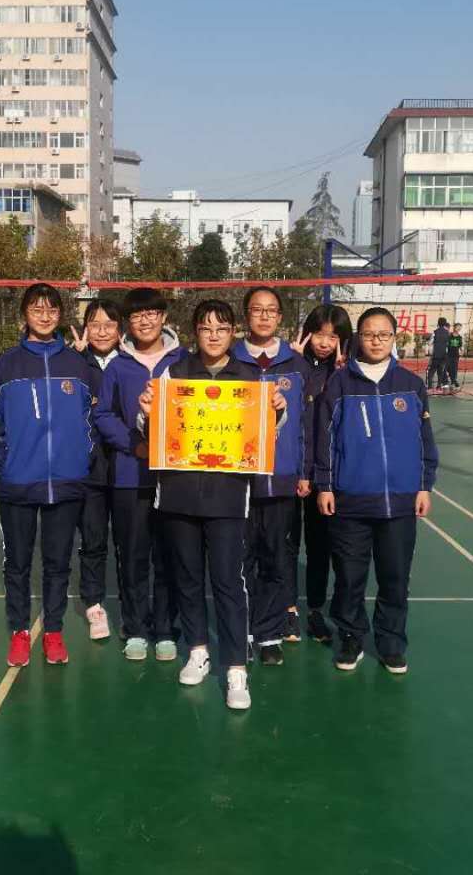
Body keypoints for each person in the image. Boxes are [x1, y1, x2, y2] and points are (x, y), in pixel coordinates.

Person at [138, 299, 287, 710]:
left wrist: (278, 410)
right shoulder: (174, 374)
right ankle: (198, 650)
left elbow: (265, 432)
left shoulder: (250, 378)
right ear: (195, 332)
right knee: (187, 578)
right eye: (206, 328)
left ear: (233, 332)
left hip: (228, 496)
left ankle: (236, 667)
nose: (214, 336)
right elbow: (151, 430)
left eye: (222, 328)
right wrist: (147, 412)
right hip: (179, 493)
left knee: (228, 582)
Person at [0, 283, 101, 667]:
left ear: (60, 315)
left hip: (66, 483)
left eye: (51, 310)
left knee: (57, 563)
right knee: (17, 563)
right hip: (18, 483)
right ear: (25, 315)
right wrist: (5, 462)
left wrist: (81, 457)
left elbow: (94, 417)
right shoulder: (6, 366)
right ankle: (18, 630)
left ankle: (53, 632)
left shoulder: (77, 365)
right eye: (36, 309)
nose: (45, 316)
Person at [315, 307, 438, 674]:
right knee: (349, 579)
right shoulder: (339, 384)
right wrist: (325, 485)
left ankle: (390, 643)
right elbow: (324, 440)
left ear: (394, 338)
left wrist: (424, 486)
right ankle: (351, 637)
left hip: (400, 503)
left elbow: (424, 440)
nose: (376, 341)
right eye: (369, 334)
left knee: (395, 578)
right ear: (358, 338)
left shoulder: (411, 385)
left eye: (384, 334)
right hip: (351, 501)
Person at [93, 287, 188, 662]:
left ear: (163, 317)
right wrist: (133, 444)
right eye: (136, 315)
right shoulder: (118, 366)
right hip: (130, 477)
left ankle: (165, 628)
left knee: (169, 557)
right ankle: (134, 628)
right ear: (128, 323)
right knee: (132, 556)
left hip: (175, 478)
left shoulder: (184, 361)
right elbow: (103, 414)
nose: (145, 321)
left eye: (151, 313)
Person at [232, 286, 312, 661]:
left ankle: (268, 634)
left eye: (271, 310)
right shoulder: (229, 361)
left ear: (280, 317)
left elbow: (307, 425)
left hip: (281, 479)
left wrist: (304, 471)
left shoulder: (297, 366)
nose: (264, 316)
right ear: (246, 315)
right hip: (238, 480)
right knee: (240, 559)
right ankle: (243, 630)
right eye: (256, 309)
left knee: (276, 558)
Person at [291, 303, 352, 644]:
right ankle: (285, 609)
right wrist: (293, 364)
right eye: (319, 334)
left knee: (321, 548)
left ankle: (316, 610)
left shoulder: (347, 373)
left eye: (334, 336)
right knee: (285, 546)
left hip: (328, 477)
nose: (325, 343)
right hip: (293, 471)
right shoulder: (294, 366)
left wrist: (345, 372)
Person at [71, 299, 122, 640]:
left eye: (109, 324)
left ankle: (134, 608)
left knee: (131, 543)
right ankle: (94, 605)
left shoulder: (132, 362)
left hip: (127, 468)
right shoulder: (73, 364)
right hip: (88, 471)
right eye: (95, 324)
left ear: (120, 330)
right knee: (93, 540)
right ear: (85, 328)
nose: (102, 331)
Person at [426, 317, 451, 392]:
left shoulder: (435, 332)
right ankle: (439, 387)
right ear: (445, 324)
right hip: (443, 355)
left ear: (438, 323)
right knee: (440, 371)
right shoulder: (447, 333)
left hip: (436, 355)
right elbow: (448, 344)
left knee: (431, 371)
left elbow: (430, 343)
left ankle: (430, 387)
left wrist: (428, 342)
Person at [447, 322, 464, 391]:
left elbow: (460, 346)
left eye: (460, 328)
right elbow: (446, 344)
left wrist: (462, 351)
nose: (459, 328)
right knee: (448, 368)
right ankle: (454, 381)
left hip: (456, 355)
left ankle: (453, 382)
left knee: (454, 369)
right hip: (448, 355)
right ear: (454, 327)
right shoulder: (449, 335)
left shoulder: (460, 337)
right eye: (457, 327)